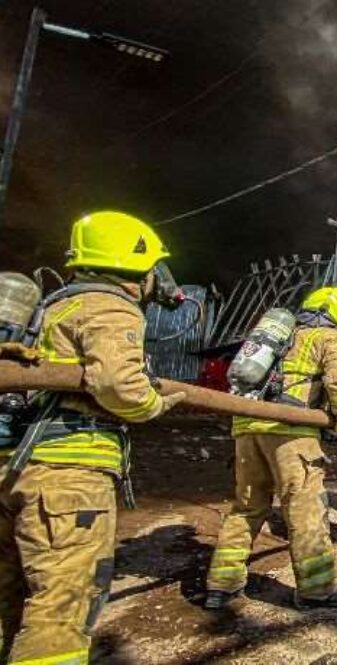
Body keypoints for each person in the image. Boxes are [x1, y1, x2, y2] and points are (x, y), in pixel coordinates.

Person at [0, 211, 187, 664]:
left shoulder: (55, 305)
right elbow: (121, 387)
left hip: (16, 464)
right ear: (134, 262)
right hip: (67, 478)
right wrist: (154, 405)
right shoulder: (110, 306)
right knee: (62, 605)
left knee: (13, 591)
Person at [204, 286, 337, 611]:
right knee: (305, 509)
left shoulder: (280, 336)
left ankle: (222, 586)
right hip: (290, 433)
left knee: (246, 507)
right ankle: (317, 591)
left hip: (246, 427)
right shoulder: (329, 339)